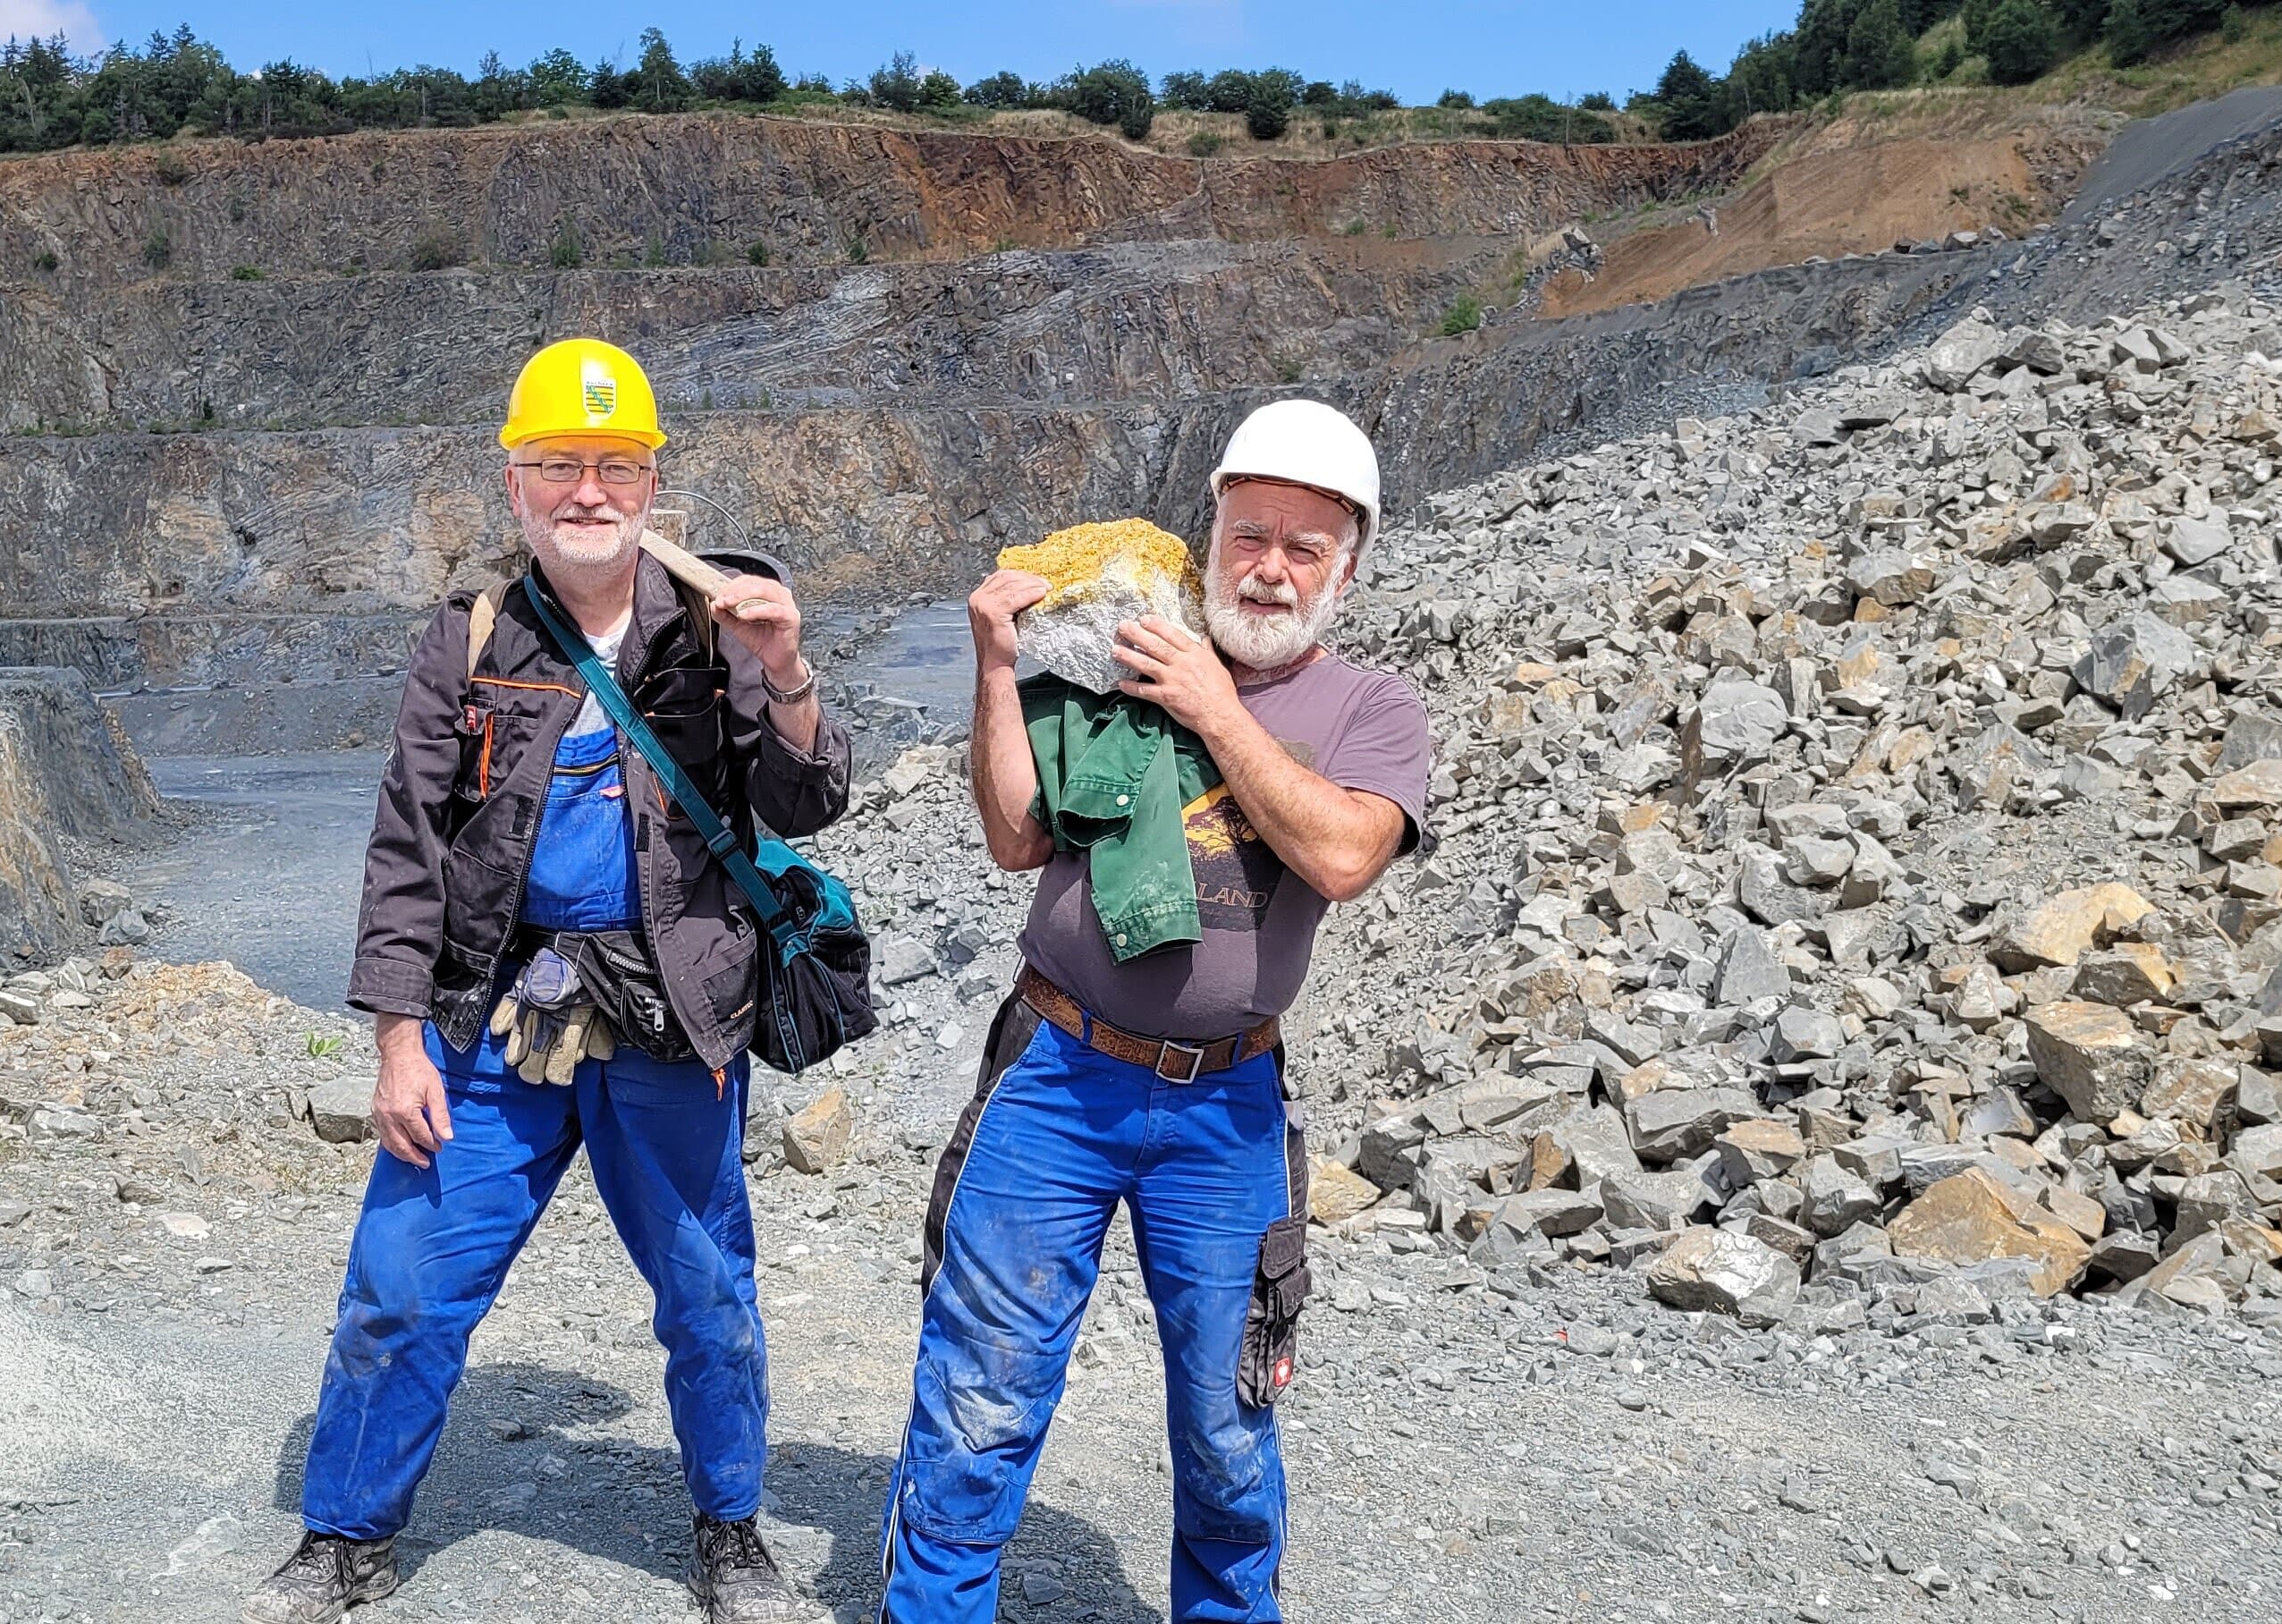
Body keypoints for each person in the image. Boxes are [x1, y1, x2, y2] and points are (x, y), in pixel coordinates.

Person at [247, 338, 852, 1624]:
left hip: (670, 1014)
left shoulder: (722, 624)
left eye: (614, 465)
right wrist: (399, 1042)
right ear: (513, 483)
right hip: (493, 1017)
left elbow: (812, 798)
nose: (588, 490)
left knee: (708, 1296)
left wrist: (789, 670)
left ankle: (730, 1530)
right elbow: (407, 845)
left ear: (653, 482)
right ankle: (344, 1535)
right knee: (402, 1286)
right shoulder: (466, 640)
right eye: (558, 465)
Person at [877, 399, 1434, 1623]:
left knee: (1230, 1427)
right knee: (979, 1398)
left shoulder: (1369, 711)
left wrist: (1213, 706)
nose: (1271, 569)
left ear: (1350, 567)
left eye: (1305, 546)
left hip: (1227, 1106)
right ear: (1214, 531)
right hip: (1057, 1074)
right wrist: (991, 666)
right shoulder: (1115, 649)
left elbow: (1343, 856)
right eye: (1251, 536)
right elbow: (1017, 837)